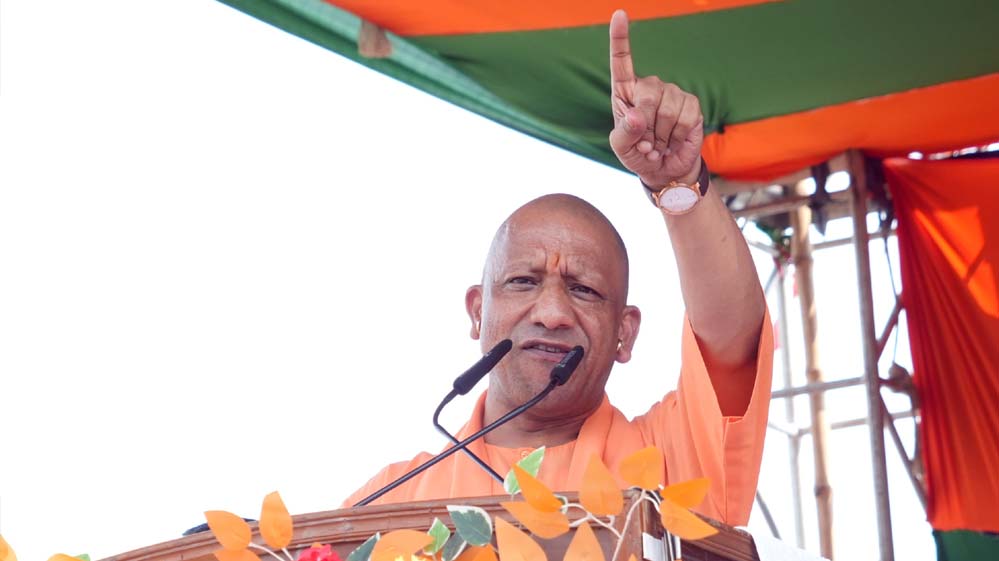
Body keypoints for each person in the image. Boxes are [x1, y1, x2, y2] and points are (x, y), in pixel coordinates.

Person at [343, 10, 772, 526]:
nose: (551, 313)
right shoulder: (389, 508)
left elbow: (733, 337)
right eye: (523, 282)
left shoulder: (669, 465)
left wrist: (678, 181)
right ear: (477, 311)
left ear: (625, 333)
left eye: (584, 290)